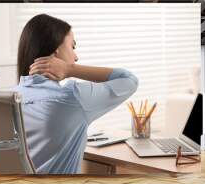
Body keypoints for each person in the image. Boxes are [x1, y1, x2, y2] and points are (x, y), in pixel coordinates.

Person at [16, 14, 138, 174]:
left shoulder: (13, 95)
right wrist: (69, 70)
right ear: (56, 51)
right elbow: (129, 80)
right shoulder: (72, 97)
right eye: (72, 47)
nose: (76, 56)